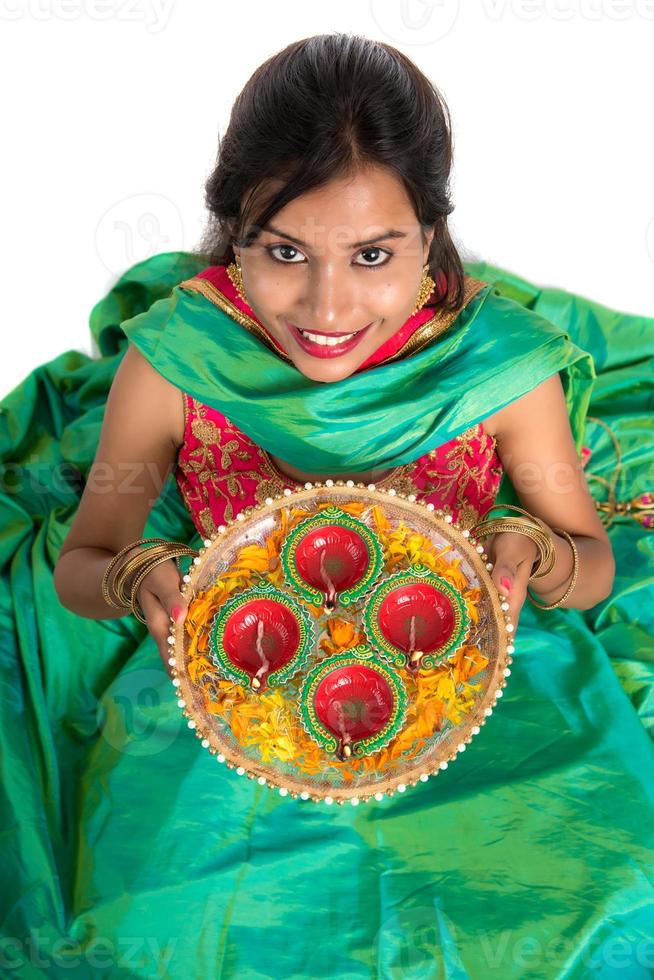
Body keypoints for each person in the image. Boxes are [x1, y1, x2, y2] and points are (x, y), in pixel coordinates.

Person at [2, 32, 653, 979]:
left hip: (473, 669)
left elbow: (589, 561)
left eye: (373, 254)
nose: (328, 302)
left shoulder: (501, 367)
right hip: (235, 686)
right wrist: (141, 572)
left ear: (430, 238)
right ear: (234, 235)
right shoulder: (178, 359)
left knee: (599, 905)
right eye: (284, 252)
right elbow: (84, 564)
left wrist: (536, 555)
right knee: (174, 935)